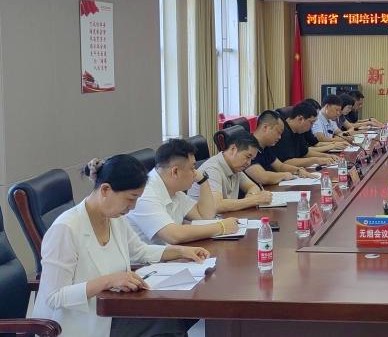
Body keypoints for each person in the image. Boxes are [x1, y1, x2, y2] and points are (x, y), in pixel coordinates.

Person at [32, 154, 209, 337]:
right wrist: (108, 281)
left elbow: (140, 251)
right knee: (167, 323)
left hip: (111, 310)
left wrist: (180, 251)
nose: (133, 207)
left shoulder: (114, 218)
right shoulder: (65, 229)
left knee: (174, 316)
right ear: (105, 190)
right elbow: (54, 297)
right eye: (130, 199)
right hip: (76, 324)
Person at [126, 139, 236, 245]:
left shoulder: (173, 188)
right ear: (175, 172)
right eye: (192, 168)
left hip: (171, 253)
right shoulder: (145, 194)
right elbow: (173, 236)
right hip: (149, 258)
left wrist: (203, 181)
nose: (195, 172)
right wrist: (221, 227)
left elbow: (205, 216)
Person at [192, 130, 273, 212]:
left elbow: (253, 186)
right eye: (248, 157)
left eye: (251, 159)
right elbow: (216, 205)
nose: (249, 163)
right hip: (204, 219)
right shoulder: (212, 169)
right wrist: (253, 200)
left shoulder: (235, 167)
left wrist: (250, 196)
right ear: (233, 149)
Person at [247, 110, 320, 186]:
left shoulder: (265, 146)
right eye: (278, 132)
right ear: (265, 127)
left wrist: (298, 170)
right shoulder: (248, 146)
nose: (279, 137)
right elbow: (262, 177)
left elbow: (280, 166)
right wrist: (284, 175)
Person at [274, 102, 337, 167]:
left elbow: (305, 152)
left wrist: (327, 156)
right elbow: (285, 162)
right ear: (300, 119)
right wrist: (315, 160)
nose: (312, 126)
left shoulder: (299, 131)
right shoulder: (282, 132)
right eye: (311, 122)